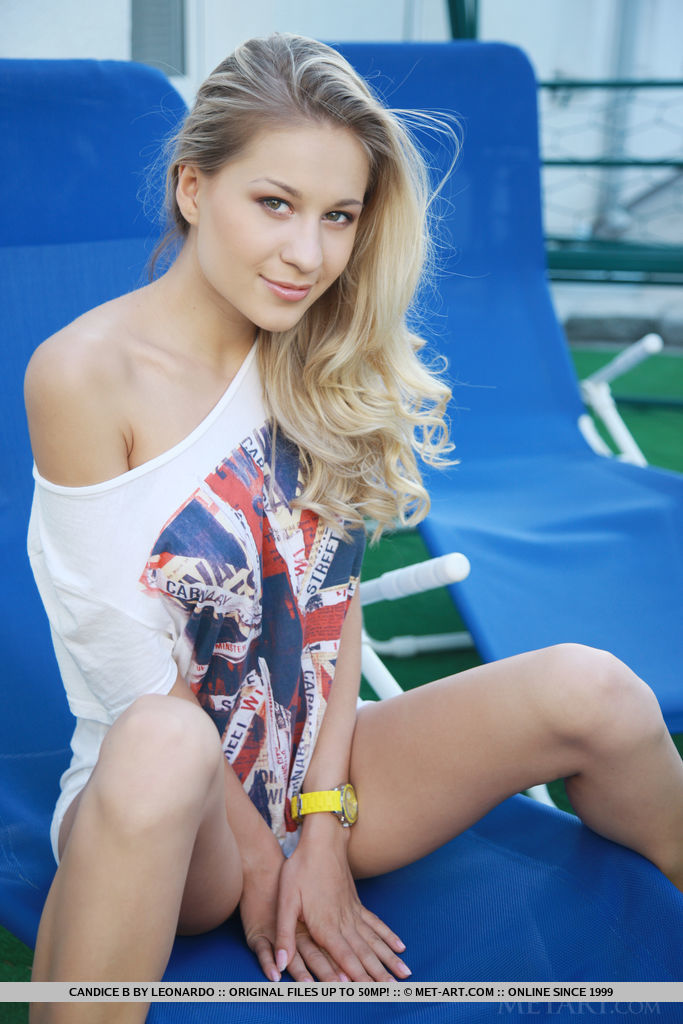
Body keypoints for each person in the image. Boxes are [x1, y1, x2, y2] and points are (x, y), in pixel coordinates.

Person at [24, 32, 682, 1024]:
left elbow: (327, 609)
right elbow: (123, 669)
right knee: (161, 737)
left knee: (593, 687)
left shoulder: (318, 352)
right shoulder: (84, 373)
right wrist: (266, 860)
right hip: (178, 820)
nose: (309, 254)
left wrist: (322, 831)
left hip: (319, 773)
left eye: (338, 216)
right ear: (193, 188)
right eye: (274, 203)